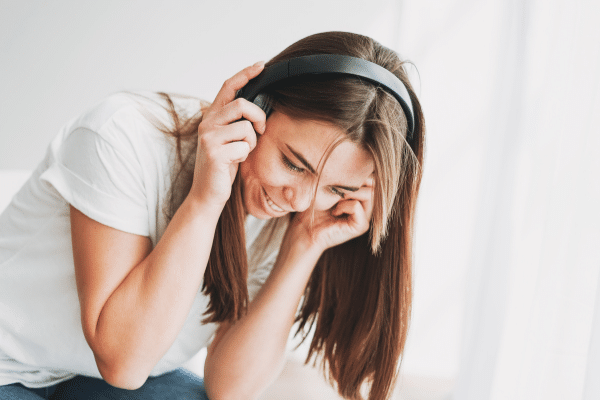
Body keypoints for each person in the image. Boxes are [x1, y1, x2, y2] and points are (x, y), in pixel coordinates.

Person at [0, 31, 424, 400]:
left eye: (337, 188)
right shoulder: (122, 136)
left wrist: (305, 244)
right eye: (294, 163)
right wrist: (206, 199)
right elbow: (123, 362)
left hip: (88, 382)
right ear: (252, 107)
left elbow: (228, 388)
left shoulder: (301, 209)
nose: (298, 200)